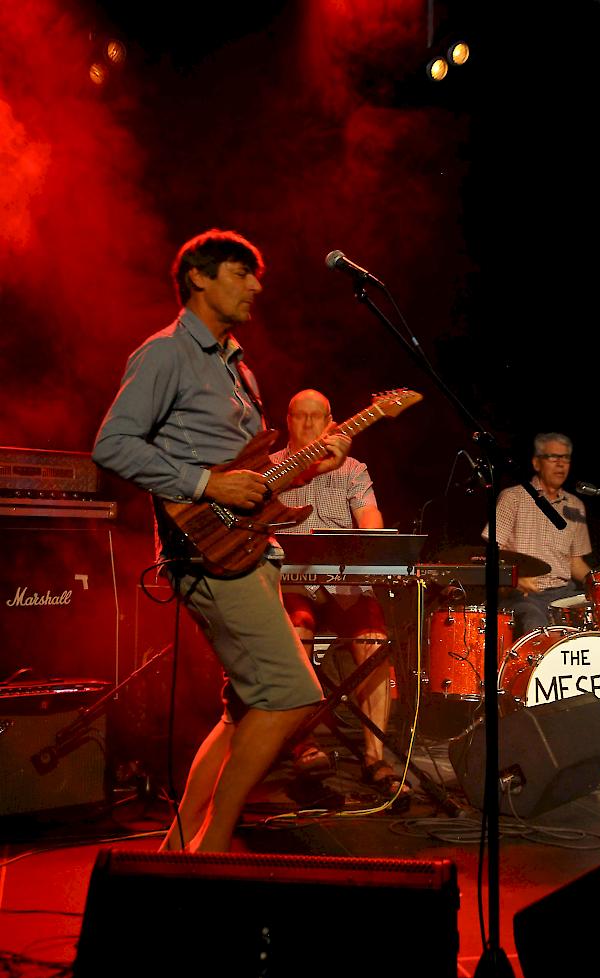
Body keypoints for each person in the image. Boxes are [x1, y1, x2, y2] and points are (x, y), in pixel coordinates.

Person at [92, 228, 351, 852]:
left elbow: (253, 475)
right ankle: (211, 848)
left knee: (243, 712)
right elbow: (113, 445)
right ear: (199, 278)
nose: (257, 285)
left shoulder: (240, 371)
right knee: (292, 697)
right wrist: (205, 483)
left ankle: (177, 849)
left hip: (248, 548)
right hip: (207, 552)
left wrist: (311, 466)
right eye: (242, 273)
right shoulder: (164, 355)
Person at [270, 389, 410, 801]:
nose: (310, 425)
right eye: (301, 416)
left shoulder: (353, 469)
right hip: (292, 579)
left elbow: (369, 514)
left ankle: (374, 757)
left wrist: (376, 540)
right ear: (288, 419)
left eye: (318, 417)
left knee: (374, 642)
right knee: (299, 633)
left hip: (344, 581)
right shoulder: (272, 467)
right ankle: (304, 743)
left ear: (332, 421)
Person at [482, 432, 592, 639]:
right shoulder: (512, 498)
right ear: (536, 463)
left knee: (599, 617)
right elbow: (491, 553)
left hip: (564, 593)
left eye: (566, 458)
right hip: (524, 595)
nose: (561, 464)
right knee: (533, 620)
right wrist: (514, 578)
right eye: (553, 457)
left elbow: (575, 562)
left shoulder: (576, 506)